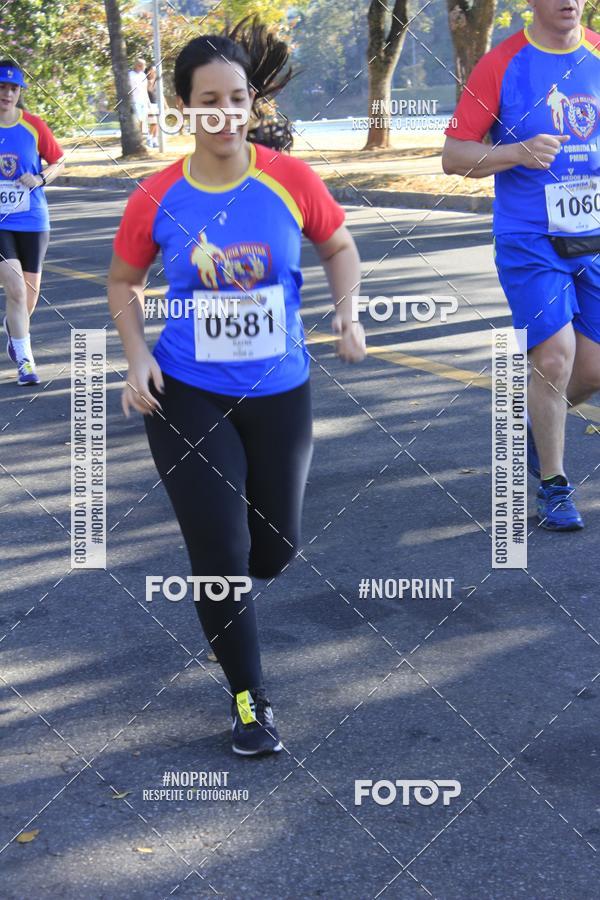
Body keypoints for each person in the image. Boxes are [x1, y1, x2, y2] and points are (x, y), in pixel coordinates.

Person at [108, 19, 366, 756]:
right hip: (186, 392)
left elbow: (339, 246)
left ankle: (226, 582)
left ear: (252, 101)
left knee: (273, 550)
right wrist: (136, 355)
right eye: (208, 101)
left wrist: (347, 312)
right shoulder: (158, 195)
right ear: (184, 108)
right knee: (220, 552)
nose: (224, 114)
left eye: (237, 98)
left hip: (280, 389)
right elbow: (123, 281)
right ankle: (249, 699)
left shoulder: (290, 180)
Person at [442, 0, 600, 531]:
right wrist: (517, 153)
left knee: (592, 369)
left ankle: (536, 428)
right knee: (554, 355)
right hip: (529, 237)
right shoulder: (501, 64)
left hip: (592, 233)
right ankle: (555, 486)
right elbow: (454, 156)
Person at [0, 61, 64, 385]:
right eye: (2, 87)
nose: (7, 93)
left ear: (20, 92)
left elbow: (59, 161)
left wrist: (40, 178)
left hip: (33, 218)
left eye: (13, 88)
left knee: (29, 295)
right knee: (14, 287)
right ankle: (26, 363)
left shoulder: (34, 125)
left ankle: (14, 330)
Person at [128, 57, 149, 138]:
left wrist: (148, 101)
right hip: (134, 100)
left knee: (143, 119)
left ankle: (141, 137)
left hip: (143, 100)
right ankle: (137, 136)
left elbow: (145, 89)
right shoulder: (130, 75)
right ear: (138, 65)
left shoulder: (143, 75)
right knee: (138, 119)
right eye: (143, 65)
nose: (145, 67)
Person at [145, 64, 159, 149]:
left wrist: (166, 106)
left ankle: (154, 141)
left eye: (155, 71)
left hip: (156, 104)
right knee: (153, 122)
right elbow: (148, 91)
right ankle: (149, 138)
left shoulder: (156, 82)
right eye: (152, 71)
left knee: (156, 124)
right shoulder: (146, 81)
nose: (154, 72)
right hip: (149, 104)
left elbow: (160, 94)